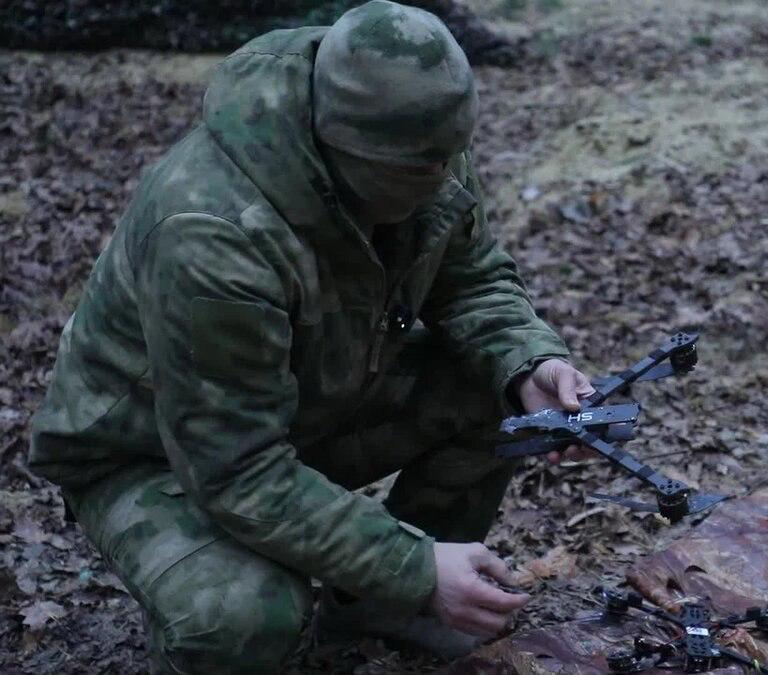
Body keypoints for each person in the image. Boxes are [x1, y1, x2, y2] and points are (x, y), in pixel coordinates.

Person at [28, 2, 593, 672]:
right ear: (353, 152)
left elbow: (471, 278)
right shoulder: (212, 232)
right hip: (150, 452)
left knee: (491, 390)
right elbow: (238, 467)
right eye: (425, 168)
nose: (448, 178)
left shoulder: (420, 147)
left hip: (296, 405)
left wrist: (529, 361)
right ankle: (402, 585)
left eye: (453, 157)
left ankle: (380, 610)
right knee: (242, 617)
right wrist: (412, 563)